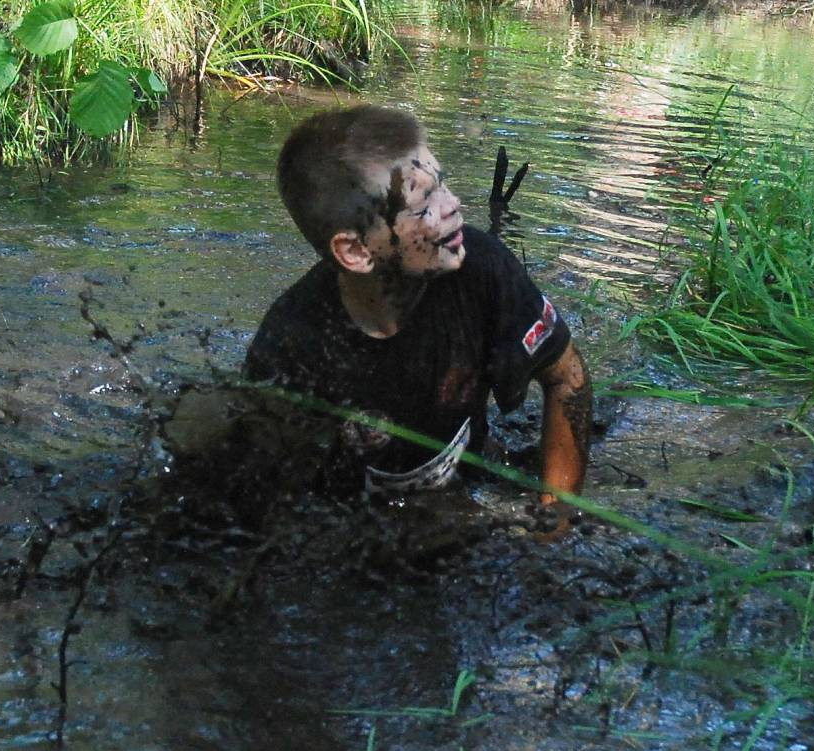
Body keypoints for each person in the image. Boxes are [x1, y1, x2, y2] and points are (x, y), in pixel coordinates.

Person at [243, 104, 591, 504]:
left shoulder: (483, 268)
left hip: (467, 485)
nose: (455, 204)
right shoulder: (292, 349)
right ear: (356, 251)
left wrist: (554, 523)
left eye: (442, 184)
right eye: (424, 204)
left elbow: (568, 378)